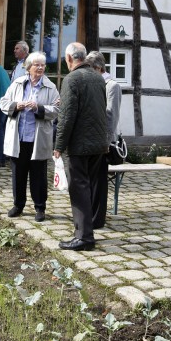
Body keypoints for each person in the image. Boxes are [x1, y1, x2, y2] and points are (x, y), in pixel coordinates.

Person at [53, 42, 108, 251]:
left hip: (80, 144)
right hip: (98, 143)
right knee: (88, 188)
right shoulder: (98, 77)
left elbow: (66, 116)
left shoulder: (72, 79)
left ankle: (84, 237)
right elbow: (102, 109)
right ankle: (87, 230)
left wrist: (59, 145)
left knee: (79, 190)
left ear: (69, 58)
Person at [0, 52, 60, 221]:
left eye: (42, 65)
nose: (40, 68)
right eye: (37, 65)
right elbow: (3, 102)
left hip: (37, 138)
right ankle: (18, 205)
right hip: (18, 137)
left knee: (38, 175)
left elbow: (56, 110)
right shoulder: (17, 83)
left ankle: (40, 208)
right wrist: (16, 105)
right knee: (18, 174)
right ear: (29, 67)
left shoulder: (51, 87)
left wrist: (38, 108)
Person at [86, 50, 122, 228]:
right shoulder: (93, 83)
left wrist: (106, 142)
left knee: (99, 181)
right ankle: (89, 214)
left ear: (98, 68)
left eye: (89, 69)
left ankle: (97, 218)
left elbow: (111, 116)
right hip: (89, 140)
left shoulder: (112, 86)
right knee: (90, 180)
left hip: (102, 142)